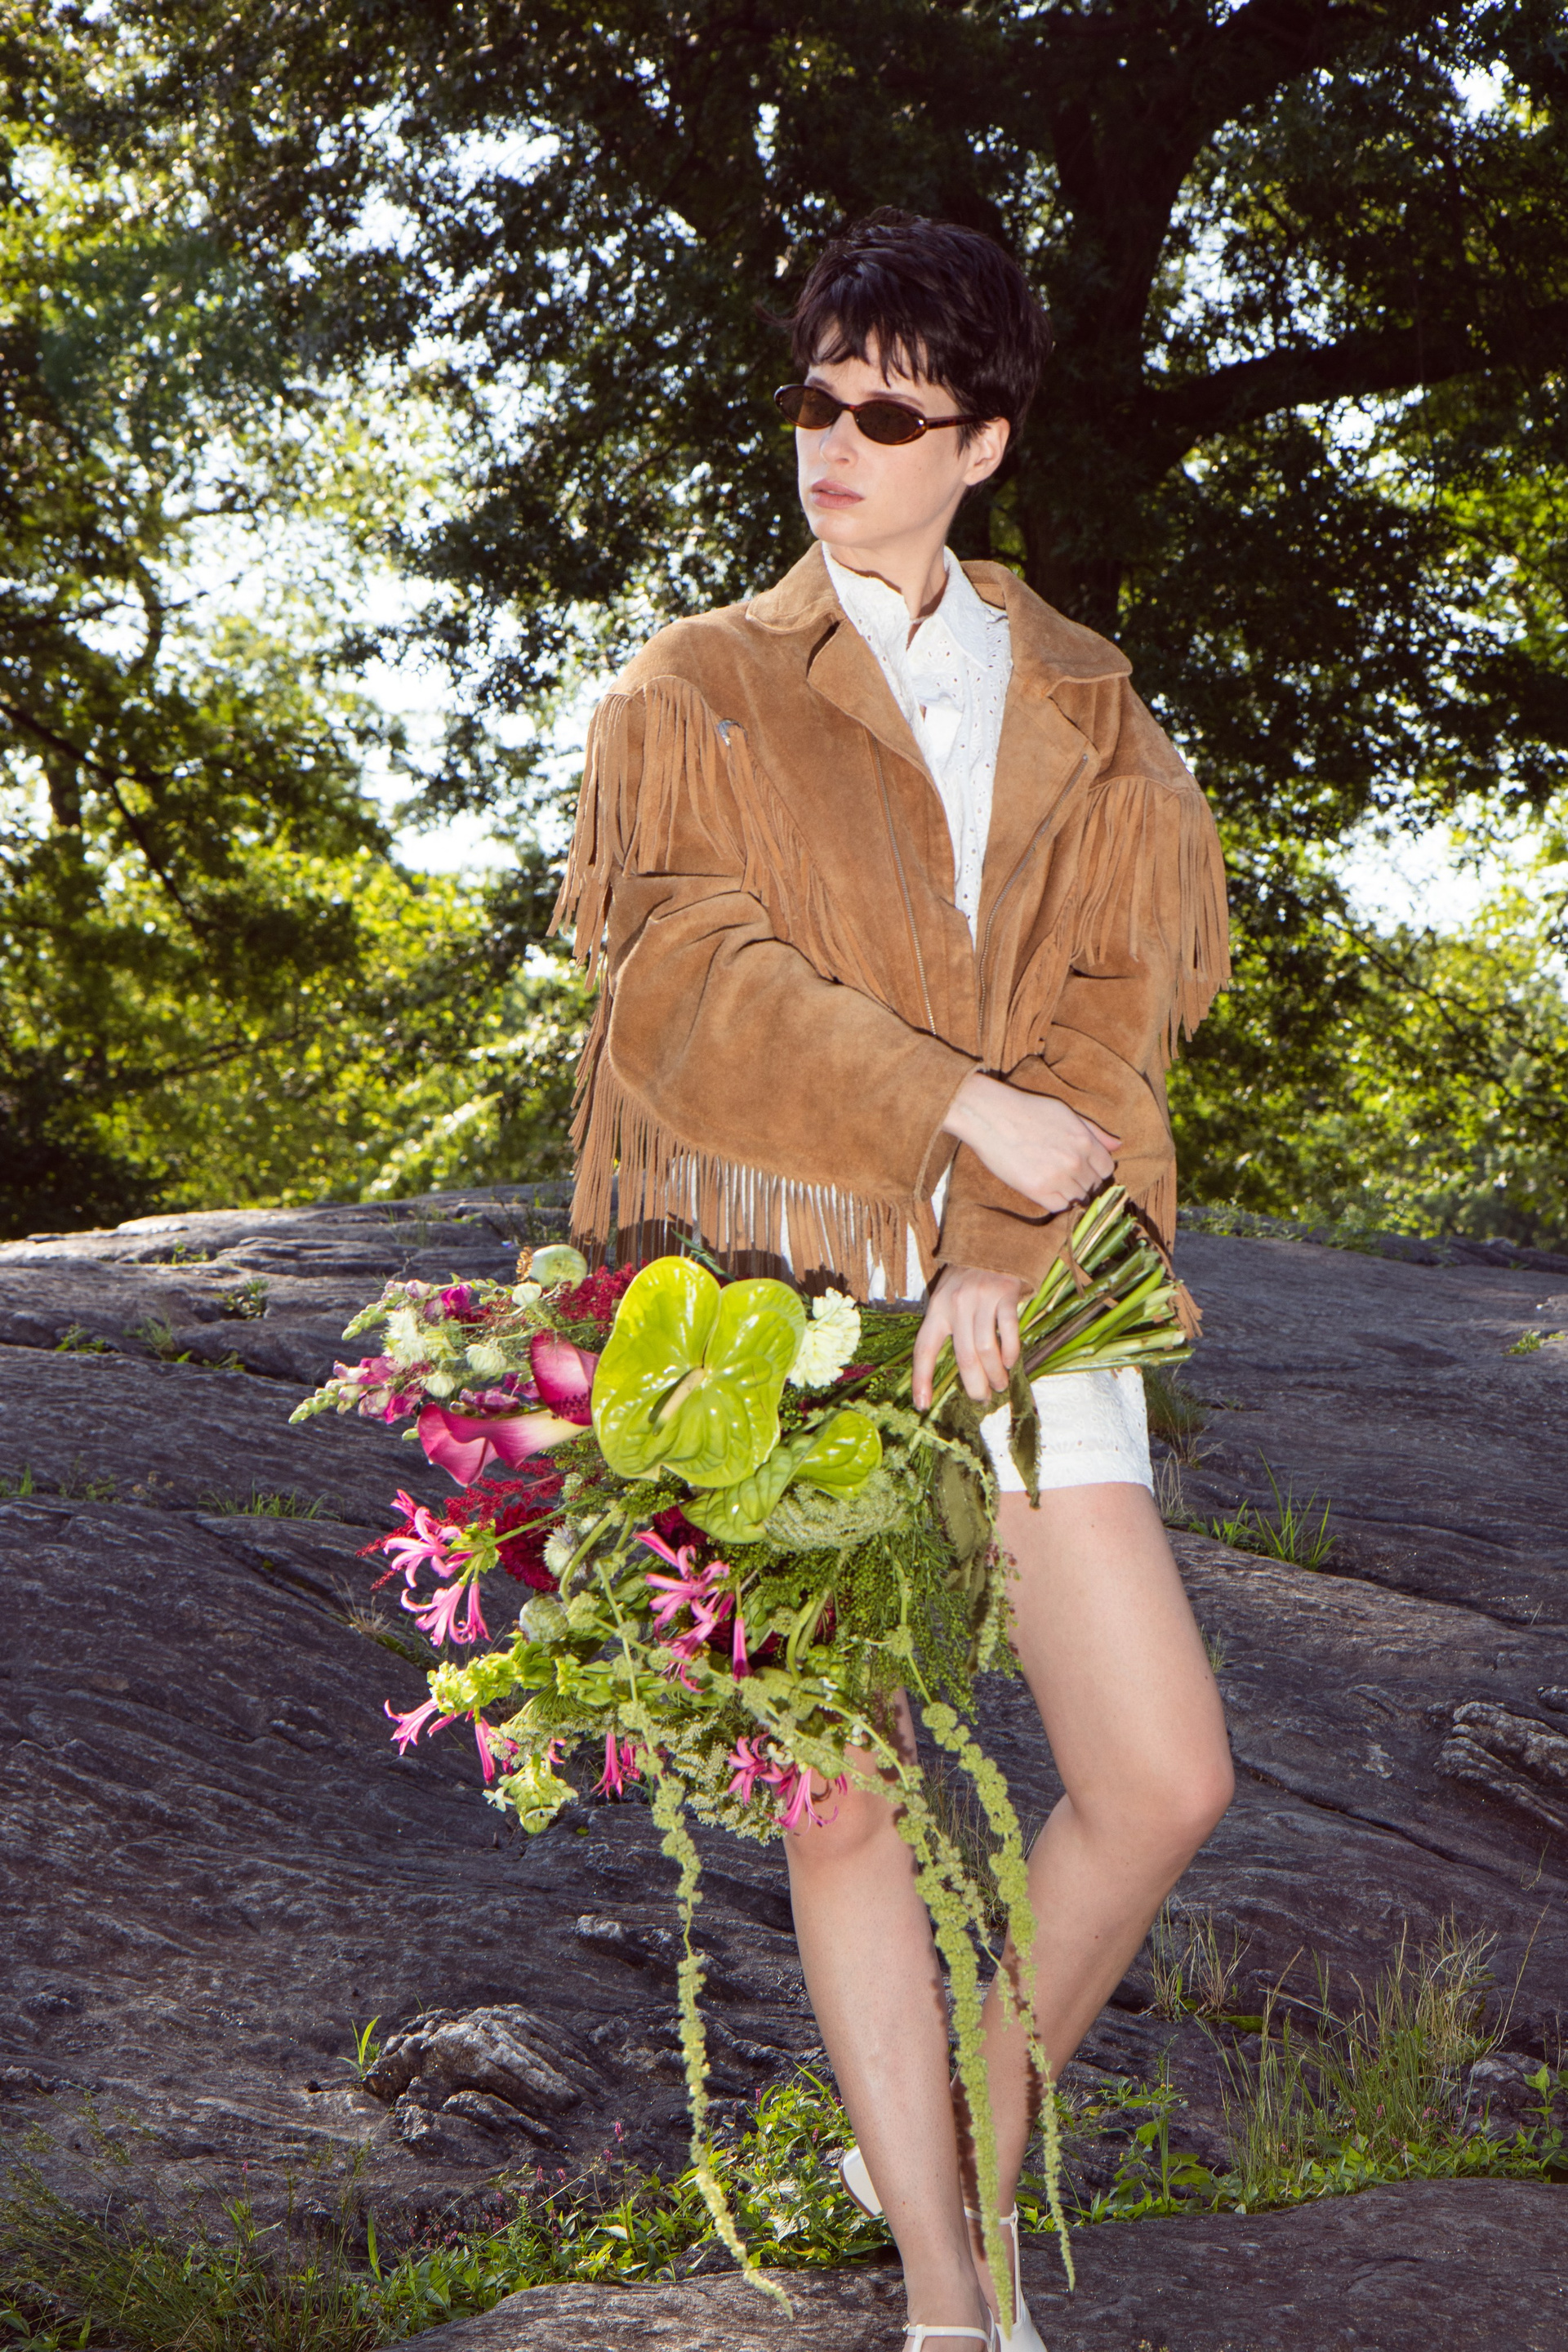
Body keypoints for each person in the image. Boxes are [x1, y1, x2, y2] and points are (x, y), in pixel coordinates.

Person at [555, 210, 1236, 2352]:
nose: (834, 445)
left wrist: (1000, 1243)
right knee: (842, 1794)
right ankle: (953, 2291)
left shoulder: (1088, 700)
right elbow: (681, 983)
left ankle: (936, 2140)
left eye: (889, 413)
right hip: (771, 1296)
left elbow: (1116, 1008)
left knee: (1162, 1780)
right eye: (814, 400)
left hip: (1021, 1297)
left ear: (984, 445)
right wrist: (949, 1114)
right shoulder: (696, 686)